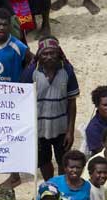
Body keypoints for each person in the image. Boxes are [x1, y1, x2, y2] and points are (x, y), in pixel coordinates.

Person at [21, 38, 80, 181]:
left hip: (61, 128)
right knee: (44, 161)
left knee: (63, 160)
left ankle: (61, 185)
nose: (49, 57)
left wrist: (70, 131)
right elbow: (23, 102)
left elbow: (72, 102)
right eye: (45, 54)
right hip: (39, 129)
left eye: (52, 53)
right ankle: (49, 185)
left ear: (59, 53)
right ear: (39, 55)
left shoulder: (67, 70)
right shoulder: (30, 73)